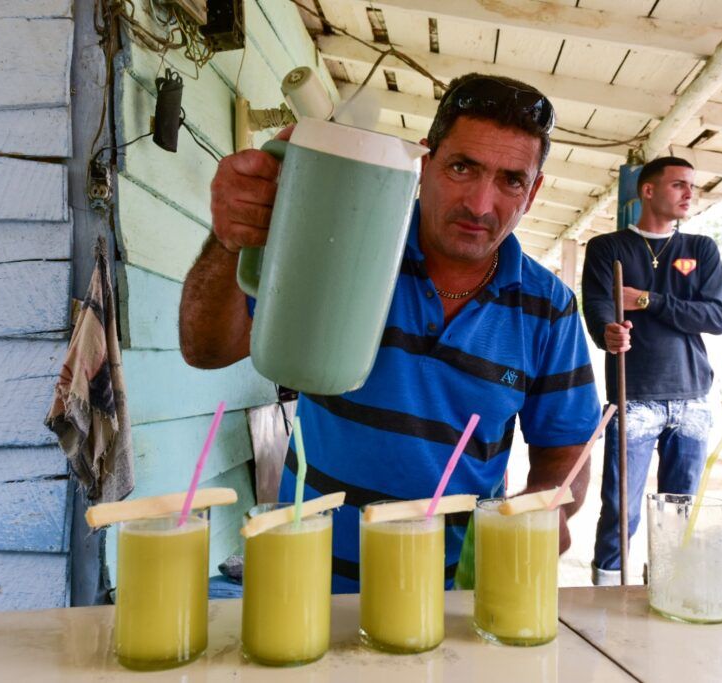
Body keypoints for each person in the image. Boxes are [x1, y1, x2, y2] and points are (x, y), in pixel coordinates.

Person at [180, 73, 601, 592]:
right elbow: (206, 348)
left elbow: (565, 450)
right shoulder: (344, 240)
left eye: (510, 180)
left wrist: (549, 503)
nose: (480, 204)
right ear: (424, 163)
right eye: (462, 167)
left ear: (532, 192)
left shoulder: (551, 309)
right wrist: (229, 240)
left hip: (446, 599)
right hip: (297, 580)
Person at [581, 156, 722, 585]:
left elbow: (717, 317)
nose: (689, 194)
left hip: (692, 398)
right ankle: (607, 596)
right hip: (635, 396)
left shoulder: (700, 249)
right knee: (620, 507)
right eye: (679, 185)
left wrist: (647, 300)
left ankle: (670, 587)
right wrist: (608, 330)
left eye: (692, 186)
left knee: (680, 509)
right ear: (647, 191)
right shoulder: (608, 248)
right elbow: (599, 304)